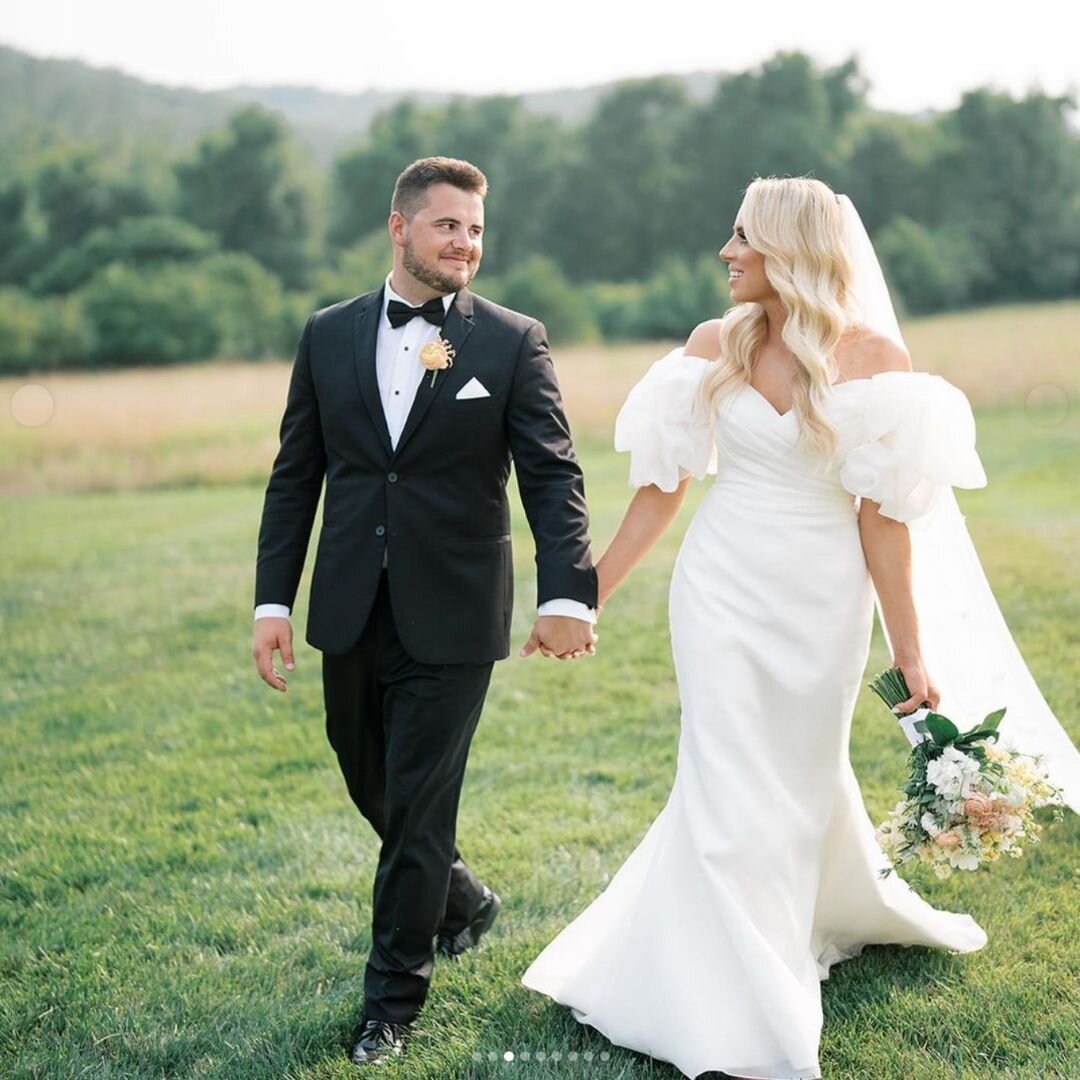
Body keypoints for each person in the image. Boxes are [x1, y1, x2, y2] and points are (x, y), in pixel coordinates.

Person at [522, 176, 1080, 1080]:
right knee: (725, 781)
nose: (726, 252)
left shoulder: (874, 359)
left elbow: (882, 518)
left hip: (823, 601)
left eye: (743, 237)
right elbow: (661, 492)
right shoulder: (714, 345)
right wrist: (583, 598)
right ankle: (743, 994)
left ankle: (809, 913)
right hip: (719, 591)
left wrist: (908, 650)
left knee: (796, 779)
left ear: (791, 250)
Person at [251, 156, 598, 1068]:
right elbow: (297, 478)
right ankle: (462, 897)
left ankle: (391, 1003)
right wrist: (271, 600)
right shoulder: (327, 336)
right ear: (399, 228)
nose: (466, 244)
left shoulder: (513, 342)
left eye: (477, 229)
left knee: (417, 807)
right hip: (351, 607)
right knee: (368, 772)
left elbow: (554, 476)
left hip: (455, 613)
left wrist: (568, 591)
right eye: (449, 226)